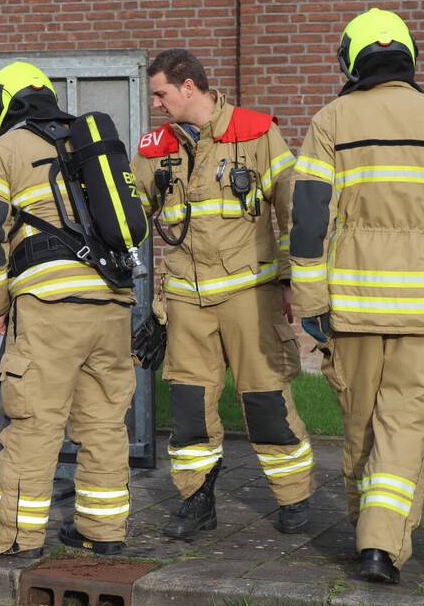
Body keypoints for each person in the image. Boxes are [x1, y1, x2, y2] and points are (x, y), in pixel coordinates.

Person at [130, 49, 315, 540]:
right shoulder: (153, 149)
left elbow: (293, 205)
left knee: (266, 401)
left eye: (161, 93)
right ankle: (196, 502)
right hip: (186, 303)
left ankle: (295, 499)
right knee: (190, 409)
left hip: (250, 296)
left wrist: (295, 279)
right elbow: (129, 215)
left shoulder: (255, 132)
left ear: (189, 86)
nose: (157, 104)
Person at [0, 61, 140, 557]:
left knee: (34, 423)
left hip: (50, 307)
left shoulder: (5, 150)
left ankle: (14, 535)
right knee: (104, 422)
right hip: (111, 303)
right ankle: (102, 531)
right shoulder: (86, 144)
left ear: (3, 104)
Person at [290, 8, 424, 585]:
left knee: (361, 425)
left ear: (350, 58)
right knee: (403, 425)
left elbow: (308, 221)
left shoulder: (331, 120)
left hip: (354, 305)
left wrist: (311, 302)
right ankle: (383, 543)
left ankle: (369, 539)